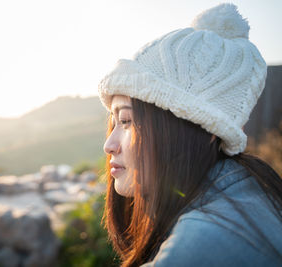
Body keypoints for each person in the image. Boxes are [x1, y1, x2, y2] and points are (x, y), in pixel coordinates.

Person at [97, 3, 282, 267]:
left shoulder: (203, 244)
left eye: (126, 120)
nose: (109, 145)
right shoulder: (248, 191)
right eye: (114, 122)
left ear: (205, 129)